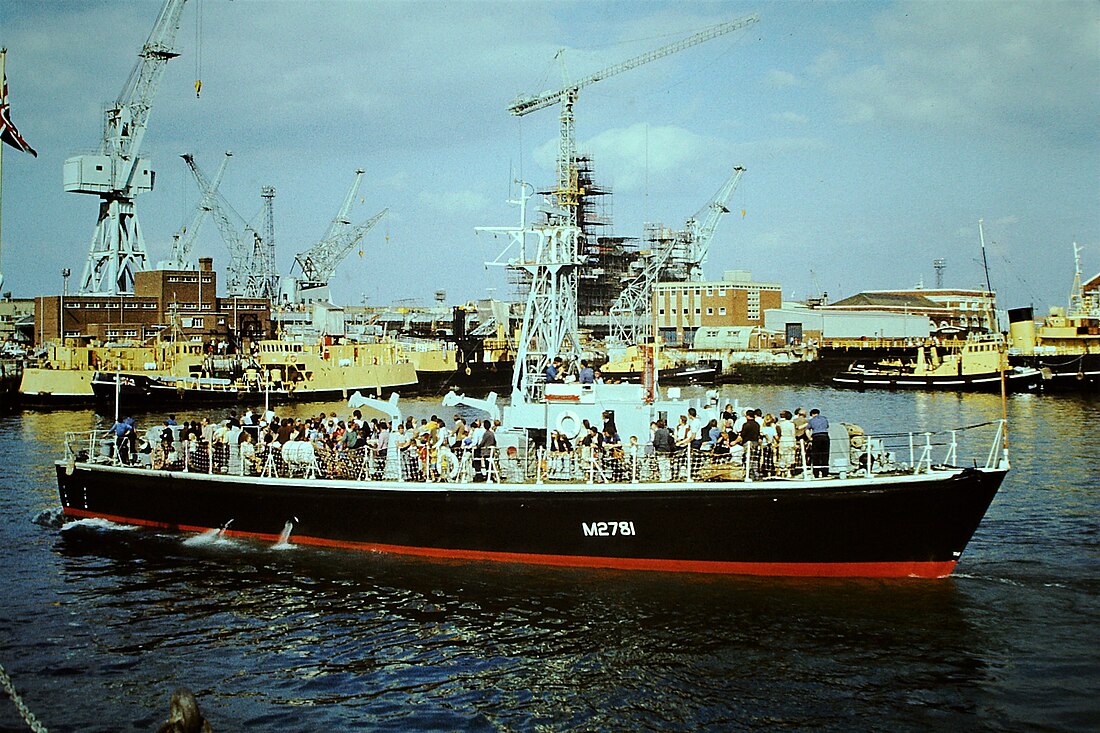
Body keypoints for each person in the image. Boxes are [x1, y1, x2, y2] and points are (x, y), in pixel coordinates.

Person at [808, 409, 831, 477]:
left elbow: (807, 429)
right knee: (825, 455)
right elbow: (827, 426)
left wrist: (810, 438)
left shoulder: (811, 420)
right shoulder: (824, 419)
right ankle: (825, 473)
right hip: (825, 436)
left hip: (816, 437)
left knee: (816, 456)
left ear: (812, 414)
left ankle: (816, 473)